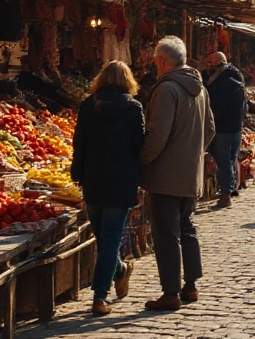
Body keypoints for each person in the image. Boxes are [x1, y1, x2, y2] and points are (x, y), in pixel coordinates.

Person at [139, 36, 216, 311]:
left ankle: (171, 292)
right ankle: (191, 284)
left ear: (162, 61)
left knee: (166, 233)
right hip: (189, 173)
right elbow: (210, 130)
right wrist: (193, 154)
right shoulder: (201, 90)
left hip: (166, 174)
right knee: (186, 227)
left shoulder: (167, 89)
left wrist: (142, 162)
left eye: (155, 61)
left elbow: (158, 135)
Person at [71, 60, 145, 315]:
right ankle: (118, 274)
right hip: (121, 180)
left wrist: (77, 174)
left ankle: (100, 294)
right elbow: (139, 147)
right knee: (107, 239)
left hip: (94, 178)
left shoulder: (88, 107)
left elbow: (79, 143)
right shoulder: (134, 109)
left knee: (105, 238)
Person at [204, 52, 245, 210]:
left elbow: (218, 107)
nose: (208, 67)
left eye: (211, 64)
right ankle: (231, 187)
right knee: (231, 158)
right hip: (235, 126)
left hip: (223, 128)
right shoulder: (236, 76)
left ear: (219, 65)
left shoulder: (222, 82)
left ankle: (226, 193)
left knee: (224, 161)